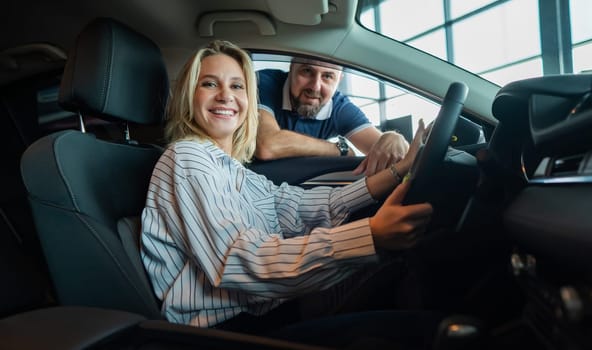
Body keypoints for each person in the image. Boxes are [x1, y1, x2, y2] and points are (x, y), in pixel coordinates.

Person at [141, 40, 439, 348]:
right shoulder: (188, 158)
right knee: (422, 330)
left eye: (237, 86)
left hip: (269, 309)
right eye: (209, 84)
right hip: (224, 333)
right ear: (190, 97)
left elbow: (303, 206)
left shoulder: (236, 170)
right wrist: (371, 235)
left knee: (400, 273)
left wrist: (397, 171)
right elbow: (239, 261)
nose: (226, 96)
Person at [255, 59, 409, 176]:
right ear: (291, 68)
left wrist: (393, 139)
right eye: (307, 71)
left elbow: (388, 151)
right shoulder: (264, 83)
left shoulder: (339, 107)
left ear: (339, 80)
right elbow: (267, 146)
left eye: (327, 76)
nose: (315, 86)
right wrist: (339, 150)